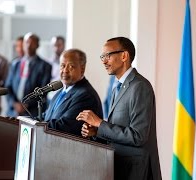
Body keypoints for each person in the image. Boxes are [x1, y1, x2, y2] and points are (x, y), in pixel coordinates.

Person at [77, 37, 162, 180]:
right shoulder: (117, 86)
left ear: (124, 56)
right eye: (102, 57)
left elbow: (138, 136)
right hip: (120, 166)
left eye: (108, 55)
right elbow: (119, 128)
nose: (104, 61)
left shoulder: (140, 87)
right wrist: (97, 132)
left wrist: (99, 123)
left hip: (137, 171)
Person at [43, 49, 103, 136]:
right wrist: (24, 120)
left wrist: (39, 125)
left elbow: (66, 126)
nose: (65, 70)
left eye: (71, 66)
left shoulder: (86, 95)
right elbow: (46, 116)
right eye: (62, 66)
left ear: (82, 69)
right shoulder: (62, 90)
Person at [5, 32, 52, 117]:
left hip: (32, 112)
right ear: (23, 44)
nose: (29, 45)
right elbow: (8, 86)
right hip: (13, 111)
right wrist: (14, 104)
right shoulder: (15, 64)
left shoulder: (45, 66)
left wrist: (26, 105)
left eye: (32, 43)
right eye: (27, 42)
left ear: (37, 45)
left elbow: (43, 91)